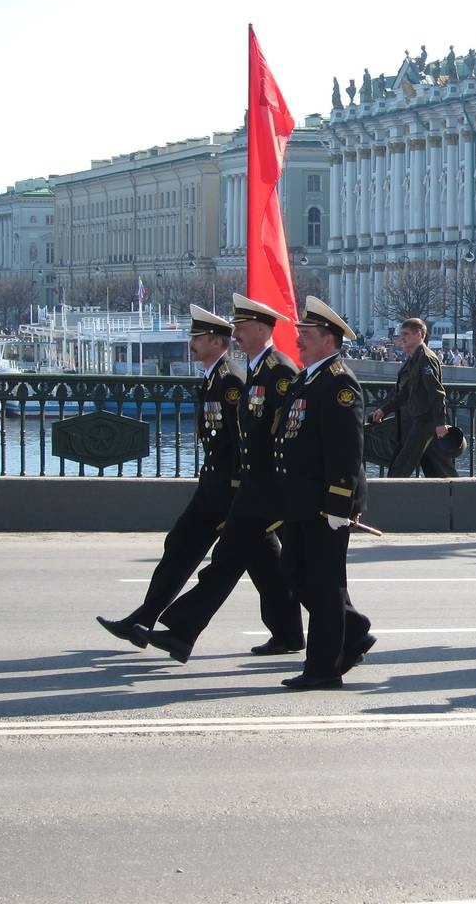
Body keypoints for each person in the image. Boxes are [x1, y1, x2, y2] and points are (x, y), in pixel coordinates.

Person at [138, 295, 305, 663]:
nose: (236, 335)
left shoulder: (279, 372)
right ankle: (294, 632)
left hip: (265, 491)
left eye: (242, 328)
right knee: (261, 565)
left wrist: (276, 489)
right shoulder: (258, 370)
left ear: (262, 329)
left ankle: (179, 630)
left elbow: (287, 437)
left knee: (242, 564)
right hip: (251, 488)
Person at [97, 305, 251, 645]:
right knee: (183, 547)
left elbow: (242, 440)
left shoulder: (230, 380)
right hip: (214, 485)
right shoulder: (214, 377)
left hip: (228, 490)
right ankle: (143, 619)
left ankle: (341, 629)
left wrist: (238, 489)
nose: (190, 342)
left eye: (196, 337)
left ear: (216, 341)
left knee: (277, 567)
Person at [276, 296, 376, 689]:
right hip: (302, 500)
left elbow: (346, 451)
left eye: (307, 335)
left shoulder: (340, 383)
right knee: (295, 574)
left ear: (329, 341)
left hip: (325, 504)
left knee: (324, 583)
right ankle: (353, 631)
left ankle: (323, 669)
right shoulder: (307, 377)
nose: (298, 340)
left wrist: (339, 503)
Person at [370, 317, 455, 479]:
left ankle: (391, 495)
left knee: (404, 461)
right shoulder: (416, 359)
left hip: (425, 418)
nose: (402, 337)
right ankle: (450, 496)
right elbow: (405, 393)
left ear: (419, 335)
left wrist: (441, 423)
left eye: (406, 334)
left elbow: (437, 392)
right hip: (419, 417)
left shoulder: (426, 359)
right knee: (435, 467)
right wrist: (384, 410)